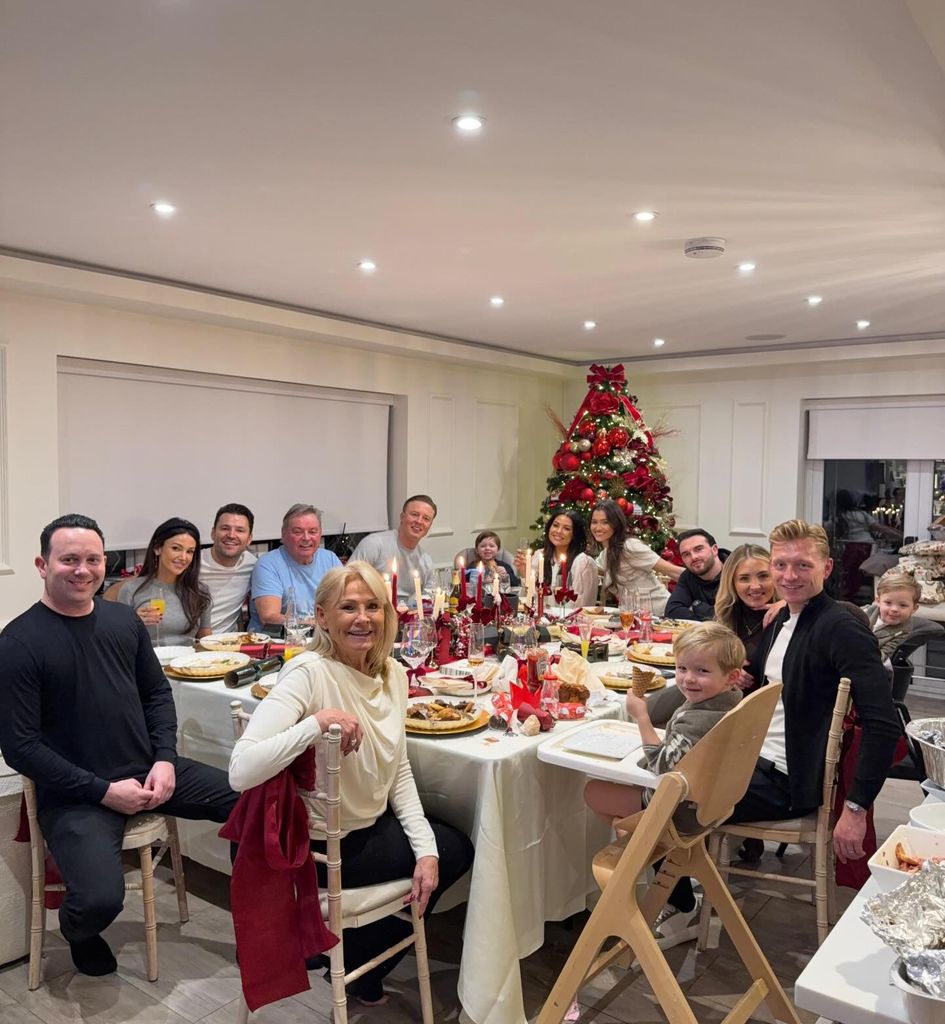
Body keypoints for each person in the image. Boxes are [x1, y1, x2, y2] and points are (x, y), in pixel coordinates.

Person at [0, 514, 236, 977]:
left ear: (105, 562)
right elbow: (21, 748)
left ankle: (264, 922)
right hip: (77, 795)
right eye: (69, 559)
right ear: (41, 565)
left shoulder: (122, 622)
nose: (82, 570)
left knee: (254, 804)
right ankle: (79, 932)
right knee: (99, 900)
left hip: (150, 769)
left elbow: (156, 695)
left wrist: (166, 761)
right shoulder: (18, 643)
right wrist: (104, 791)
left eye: (92, 559)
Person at [228, 562, 474, 1004]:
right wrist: (317, 723)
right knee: (458, 847)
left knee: (446, 848)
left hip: (364, 830)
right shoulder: (308, 672)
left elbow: (396, 769)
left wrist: (425, 850)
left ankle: (358, 961)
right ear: (322, 617)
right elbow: (240, 769)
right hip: (315, 848)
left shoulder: (393, 675)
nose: (363, 618)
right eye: (348, 607)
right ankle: (357, 964)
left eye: (373, 607)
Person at [733, 520, 900, 866]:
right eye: (780, 565)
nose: (789, 576)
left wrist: (856, 807)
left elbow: (883, 723)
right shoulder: (783, 618)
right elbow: (770, 679)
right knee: (657, 779)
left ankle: (672, 896)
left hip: (786, 782)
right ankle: (686, 883)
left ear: (826, 567)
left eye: (802, 565)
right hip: (751, 760)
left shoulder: (840, 627)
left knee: (667, 795)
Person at [584, 622, 743, 947]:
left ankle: (657, 871)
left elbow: (660, 764)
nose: (687, 679)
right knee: (625, 819)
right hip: (710, 800)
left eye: (701, 671)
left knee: (594, 791)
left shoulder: (698, 719)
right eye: (682, 668)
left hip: (681, 809)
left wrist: (641, 717)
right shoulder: (729, 701)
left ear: (731, 676)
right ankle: (657, 861)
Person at [116, 517, 212, 644]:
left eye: (190, 551)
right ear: (157, 548)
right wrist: (132, 623)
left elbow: (206, 640)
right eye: (176, 548)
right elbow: (118, 639)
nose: (184, 557)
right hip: (146, 662)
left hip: (188, 661)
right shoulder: (131, 590)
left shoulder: (200, 591)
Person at [248, 504, 341, 631]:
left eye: (312, 532)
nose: (307, 538)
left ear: (320, 534)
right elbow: (269, 618)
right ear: (284, 534)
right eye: (298, 532)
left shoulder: (330, 559)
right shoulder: (268, 564)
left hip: (322, 637)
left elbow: (345, 602)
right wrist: (316, 623)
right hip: (278, 641)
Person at [589, 501, 682, 614]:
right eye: (594, 522)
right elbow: (589, 568)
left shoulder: (630, 547)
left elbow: (676, 572)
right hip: (633, 617)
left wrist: (705, 588)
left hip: (662, 614)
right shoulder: (606, 554)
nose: (598, 528)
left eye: (605, 522)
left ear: (616, 524)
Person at [349, 495, 437, 606]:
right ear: (402, 517)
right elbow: (348, 582)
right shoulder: (374, 543)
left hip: (409, 618)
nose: (419, 521)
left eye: (426, 518)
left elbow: (427, 601)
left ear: (430, 526)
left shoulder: (426, 561)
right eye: (414, 514)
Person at [515, 510, 598, 608]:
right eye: (555, 525)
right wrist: (525, 574)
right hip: (544, 619)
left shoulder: (583, 562)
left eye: (566, 529)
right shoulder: (540, 555)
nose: (558, 531)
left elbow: (578, 606)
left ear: (575, 534)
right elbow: (529, 601)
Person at [714, 544, 780, 665]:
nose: (755, 586)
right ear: (732, 583)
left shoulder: (788, 614)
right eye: (744, 578)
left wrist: (790, 604)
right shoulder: (727, 615)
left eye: (764, 576)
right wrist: (727, 669)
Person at [200, 503, 257, 633]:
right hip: (188, 643)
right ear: (213, 533)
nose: (231, 535)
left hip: (227, 645)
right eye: (225, 528)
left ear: (249, 539)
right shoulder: (192, 563)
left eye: (240, 530)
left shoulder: (254, 566)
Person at [665, 529, 726, 621]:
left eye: (698, 549)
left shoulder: (736, 571)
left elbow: (733, 617)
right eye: (686, 554)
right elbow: (672, 611)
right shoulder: (688, 576)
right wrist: (711, 615)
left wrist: (698, 607)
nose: (693, 557)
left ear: (714, 550)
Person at [863, 572, 921, 659]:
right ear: (878, 601)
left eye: (903, 605)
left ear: (914, 608)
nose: (894, 609)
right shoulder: (863, 612)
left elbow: (882, 657)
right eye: (888, 603)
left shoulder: (904, 633)